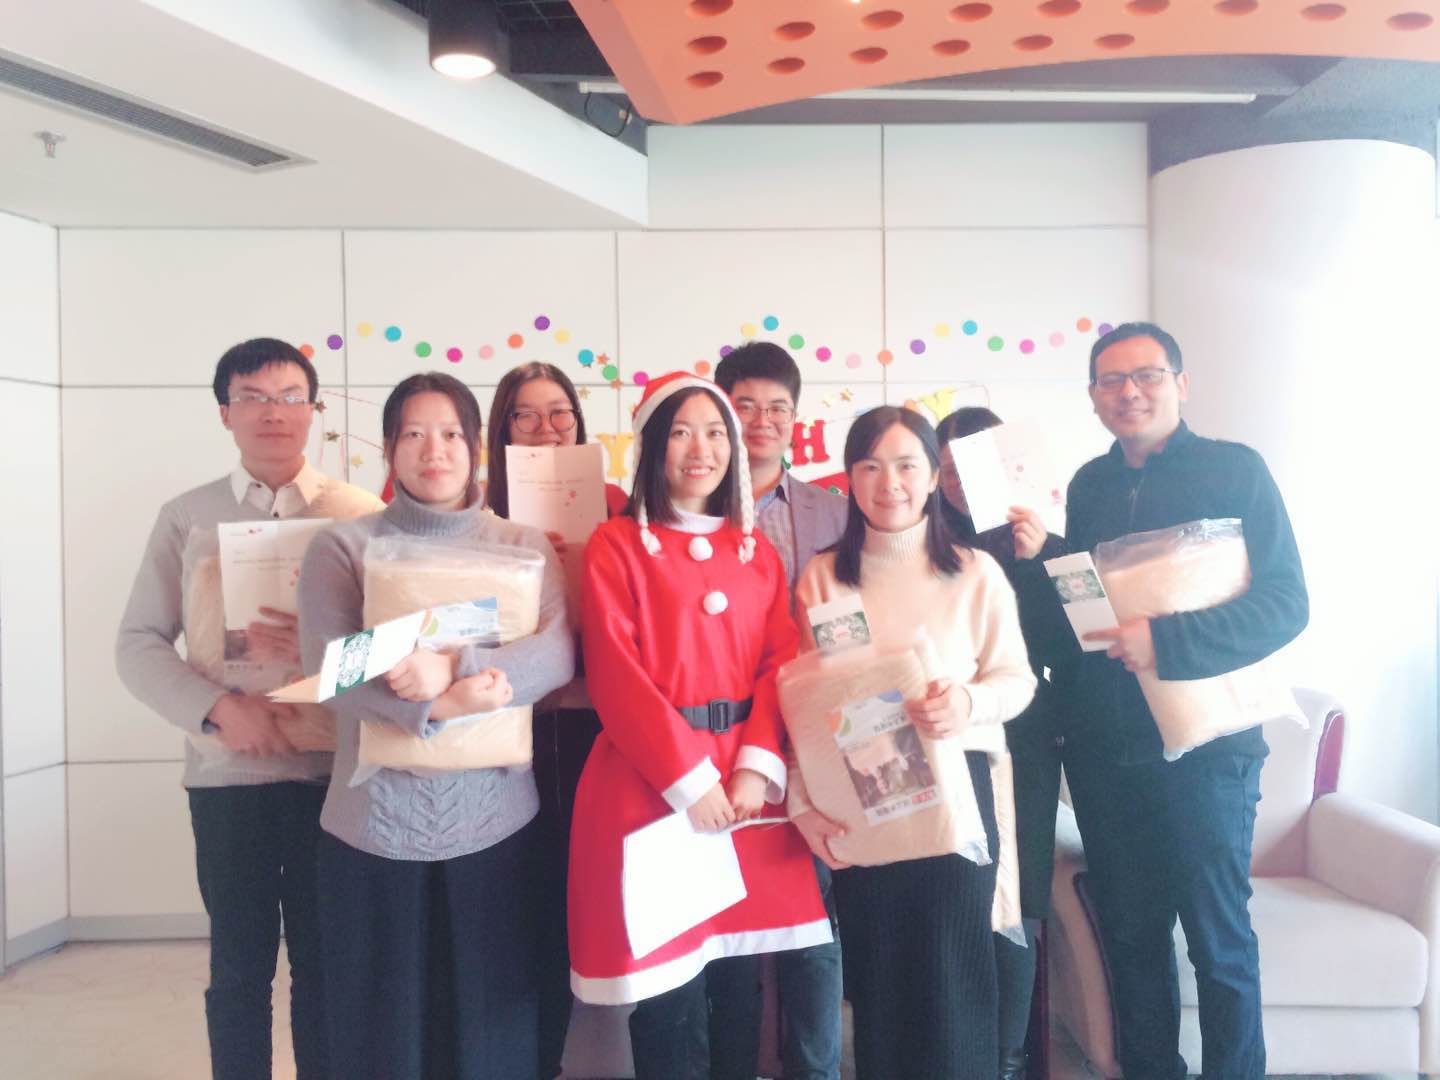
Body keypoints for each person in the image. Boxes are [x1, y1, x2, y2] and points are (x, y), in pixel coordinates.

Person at [116, 338, 382, 1080]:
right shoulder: (187, 516)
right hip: (229, 780)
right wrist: (216, 709)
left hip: (336, 777)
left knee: (327, 966)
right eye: (254, 398)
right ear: (224, 413)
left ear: (315, 411)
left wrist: (324, 651)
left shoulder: (360, 513)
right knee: (239, 967)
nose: (274, 413)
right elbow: (137, 643)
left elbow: (393, 646)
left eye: (291, 396)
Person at [297, 371, 575, 1079]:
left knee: (492, 1034)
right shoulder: (344, 546)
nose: (434, 450)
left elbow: (556, 654)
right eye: (414, 434)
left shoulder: (522, 546)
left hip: (498, 823)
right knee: (382, 1038)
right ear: (389, 448)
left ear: (476, 444)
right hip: (372, 826)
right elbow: (330, 665)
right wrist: (440, 707)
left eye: (451, 433)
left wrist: (453, 665)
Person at [1060, 322, 1308, 1078]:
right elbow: (1088, 615)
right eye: (1111, 380)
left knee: (1217, 940)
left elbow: (1285, 604)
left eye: (1147, 375)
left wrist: (1167, 642)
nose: (1129, 392)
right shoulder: (1088, 485)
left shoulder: (1235, 470)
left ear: (1181, 384)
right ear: (1094, 397)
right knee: (1133, 941)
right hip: (1109, 754)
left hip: (1211, 751)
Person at [567, 372, 831, 1080]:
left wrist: (755, 767)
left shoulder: (757, 553)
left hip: (744, 791)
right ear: (653, 447)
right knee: (668, 990)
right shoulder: (615, 546)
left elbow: (779, 664)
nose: (701, 449)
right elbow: (617, 676)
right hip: (650, 787)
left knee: (740, 974)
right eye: (682, 432)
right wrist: (689, 781)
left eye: (716, 433)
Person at [790, 405, 1036, 1079]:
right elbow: (807, 706)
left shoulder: (975, 572)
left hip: (960, 792)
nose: (889, 482)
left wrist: (967, 703)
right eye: (870, 466)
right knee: (881, 984)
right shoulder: (823, 578)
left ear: (932, 477)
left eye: (906, 465)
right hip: (865, 795)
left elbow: (1016, 681)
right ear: (849, 479)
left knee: (955, 979)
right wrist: (802, 802)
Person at [482, 360, 627, 1079]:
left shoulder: (616, 503)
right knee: (524, 894)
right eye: (526, 415)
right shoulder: (480, 510)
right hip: (509, 728)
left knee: (594, 892)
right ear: (502, 429)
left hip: (599, 725)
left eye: (559, 412)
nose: (546, 428)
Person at [715, 341, 847, 1080]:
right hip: (718, 741)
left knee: (812, 925)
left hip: (813, 743)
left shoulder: (834, 514)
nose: (761, 421)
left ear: (796, 419)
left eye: (778, 408)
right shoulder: (686, 508)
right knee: (726, 933)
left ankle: (814, 1070)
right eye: (745, 406)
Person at [936, 406, 1076, 1080]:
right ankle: (955, 1053)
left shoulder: (1046, 543)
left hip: (1023, 743)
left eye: (976, 465)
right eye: (948, 466)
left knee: (1016, 902)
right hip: (940, 741)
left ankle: (1008, 1059)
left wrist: (1035, 560)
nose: (962, 480)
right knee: (951, 899)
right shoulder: (917, 540)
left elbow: (1068, 648)